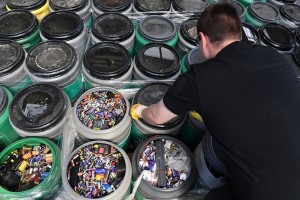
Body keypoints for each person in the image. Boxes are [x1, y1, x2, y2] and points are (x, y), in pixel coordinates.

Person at [130, 3, 300, 200]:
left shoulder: (200, 78)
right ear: (238, 33)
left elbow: (157, 116)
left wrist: (139, 109)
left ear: (203, 39)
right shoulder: (274, 56)